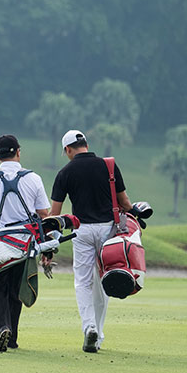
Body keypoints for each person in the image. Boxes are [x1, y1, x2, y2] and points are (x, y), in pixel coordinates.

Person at [50, 129, 133, 353]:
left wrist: (48, 243)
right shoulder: (109, 166)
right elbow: (125, 202)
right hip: (108, 230)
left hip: (82, 230)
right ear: (86, 144)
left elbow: (55, 215)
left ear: (68, 150)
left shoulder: (65, 172)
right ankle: (98, 335)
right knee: (103, 282)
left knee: (83, 282)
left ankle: (89, 327)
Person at [0, 135, 50, 352]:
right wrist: (47, 245)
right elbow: (43, 214)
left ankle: (1, 328)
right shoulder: (34, 178)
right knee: (16, 289)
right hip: (24, 242)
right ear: (18, 152)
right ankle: (11, 336)